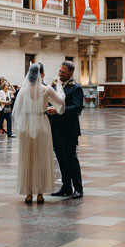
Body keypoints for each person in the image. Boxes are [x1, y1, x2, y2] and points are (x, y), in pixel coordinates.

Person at [14, 63, 63, 203]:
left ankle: (28, 193)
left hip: (27, 125)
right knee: (41, 157)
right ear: (41, 74)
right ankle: (40, 193)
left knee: (27, 158)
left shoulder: (23, 91)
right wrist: (59, 88)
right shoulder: (46, 89)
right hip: (41, 122)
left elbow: (18, 110)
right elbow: (60, 103)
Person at [48, 61, 85, 199]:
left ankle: (78, 188)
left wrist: (58, 111)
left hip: (69, 129)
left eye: (63, 72)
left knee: (71, 158)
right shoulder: (55, 86)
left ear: (70, 73)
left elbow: (77, 107)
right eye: (60, 71)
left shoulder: (75, 88)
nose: (60, 74)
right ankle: (66, 186)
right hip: (55, 128)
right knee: (60, 158)